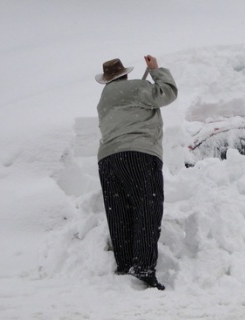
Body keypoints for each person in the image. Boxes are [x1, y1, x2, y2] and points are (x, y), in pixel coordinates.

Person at [95, 56, 178, 290]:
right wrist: (155, 70)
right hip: (138, 154)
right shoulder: (137, 87)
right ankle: (142, 267)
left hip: (108, 159)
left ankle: (124, 265)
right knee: (147, 208)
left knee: (119, 212)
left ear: (106, 80)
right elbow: (167, 93)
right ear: (124, 74)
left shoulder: (103, 100)